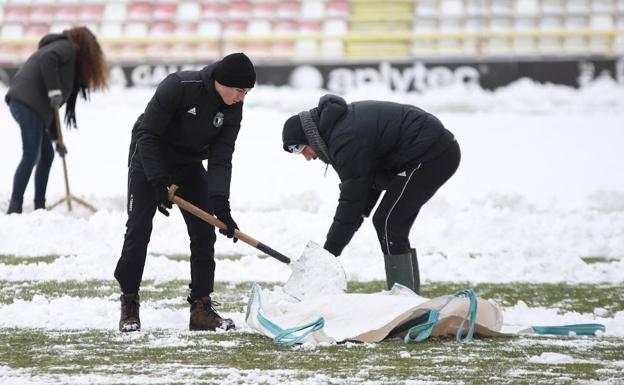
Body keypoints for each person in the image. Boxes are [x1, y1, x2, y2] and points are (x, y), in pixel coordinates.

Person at [113, 53, 256, 332]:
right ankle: (129, 303)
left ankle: (201, 309)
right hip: (148, 158)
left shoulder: (232, 109)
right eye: (240, 90)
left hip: (189, 163)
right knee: (138, 229)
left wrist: (221, 206)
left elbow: (220, 159)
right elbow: (147, 135)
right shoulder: (179, 86)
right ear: (221, 82)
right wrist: (157, 181)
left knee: (205, 230)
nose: (242, 97)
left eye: (247, 92)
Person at [282, 94, 460, 294]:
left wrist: (329, 254)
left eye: (298, 148)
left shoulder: (343, 139)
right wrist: (363, 210)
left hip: (433, 155)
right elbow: (367, 180)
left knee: (388, 222)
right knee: (390, 222)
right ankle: (409, 298)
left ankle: (405, 302)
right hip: (426, 153)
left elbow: (351, 199)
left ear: (309, 134)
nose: (305, 157)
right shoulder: (338, 127)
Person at [4, 26, 109, 214]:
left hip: (31, 106)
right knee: (31, 154)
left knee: (47, 155)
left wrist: (56, 140)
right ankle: (15, 207)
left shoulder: (68, 61)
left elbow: (51, 111)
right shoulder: (67, 47)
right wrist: (54, 90)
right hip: (26, 102)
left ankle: (39, 207)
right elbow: (47, 59)